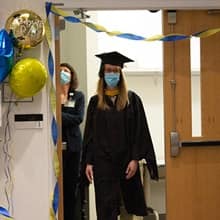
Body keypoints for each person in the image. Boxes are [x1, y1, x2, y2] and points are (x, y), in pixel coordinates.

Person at [82, 51, 159, 220]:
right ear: (103, 74)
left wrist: (134, 159)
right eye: (109, 70)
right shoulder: (95, 102)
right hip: (103, 165)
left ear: (121, 74)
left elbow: (140, 131)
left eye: (116, 71)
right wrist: (88, 161)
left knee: (127, 207)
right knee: (106, 208)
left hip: (126, 163)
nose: (112, 74)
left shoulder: (132, 100)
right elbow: (90, 135)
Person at [60, 63, 85, 220]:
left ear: (72, 75)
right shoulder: (52, 95)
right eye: (60, 70)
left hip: (74, 147)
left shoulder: (78, 96)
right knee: (58, 186)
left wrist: (58, 115)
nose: (63, 73)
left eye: (66, 70)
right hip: (55, 146)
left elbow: (78, 118)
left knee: (71, 186)